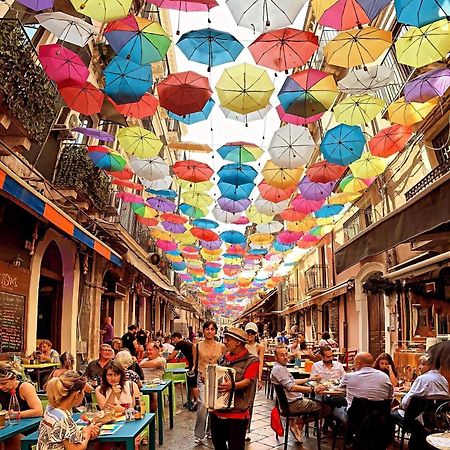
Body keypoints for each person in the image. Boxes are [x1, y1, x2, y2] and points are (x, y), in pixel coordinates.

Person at [210, 327, 259, 450]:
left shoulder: (252, 361)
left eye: (228, 339)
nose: (225, 341)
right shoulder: (223, 358)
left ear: (238, 342)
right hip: (218, 411)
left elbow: (248, 381)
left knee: (235, 447)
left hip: (237, 413)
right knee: (218, 445)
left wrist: (233, 386)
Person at [271, 346, 325, 442]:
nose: (285, 357)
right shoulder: (279, 369)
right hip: (293, 404)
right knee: (327, 407)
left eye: (286, 354)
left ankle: (297, 422)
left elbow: (292, 382)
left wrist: (309, 379)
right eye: (281, 355)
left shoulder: (280, 368)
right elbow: (291, 387)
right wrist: (313, 389)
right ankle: (300, 422)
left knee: (317, 401)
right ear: (275, 357)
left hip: (291, 403)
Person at [37, 371, 99, 450]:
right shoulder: (63, 419)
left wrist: (82, 431)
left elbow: (63, 435)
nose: (84, 395)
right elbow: (76, 448)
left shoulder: (50, 409)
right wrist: (87, 434)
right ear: (77, 394)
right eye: (83, 392)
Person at [334, 352, 393, 424]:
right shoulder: (385, 377)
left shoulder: (349, 376)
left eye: (354, 363)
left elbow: (338, 388)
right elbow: (390, 396)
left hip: (354, 418)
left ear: (358, 363)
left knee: (336, 409)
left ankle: (342, 432)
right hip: (377, 420)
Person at [193, 320, 226, 445]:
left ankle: (211, 431)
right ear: (203, 330)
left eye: (212, 329)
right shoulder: (196, 345)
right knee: (202, 405)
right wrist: (197, 374)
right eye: (207, 329)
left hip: (216, 378)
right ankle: (199, 434)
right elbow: (195, 363)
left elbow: (223, 363)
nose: (209, 331)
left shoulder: (222, 346)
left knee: (214, 405)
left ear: (215, 331)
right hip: (201, 377)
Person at [0, 362, 43, 450]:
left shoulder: (25, 387)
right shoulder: (1, 390)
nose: (0, 387)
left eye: (4, 383)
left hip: (29, 429)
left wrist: (15, 415)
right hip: (10, 428)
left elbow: (38, 411)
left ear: (14, 378)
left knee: (10, 440)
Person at [244, 322, 265, 441]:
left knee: (250, 403)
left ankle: (247, 428)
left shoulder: (259, 346)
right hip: (241, 376)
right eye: (248, 332)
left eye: (252, 332)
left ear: (256, 333)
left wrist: (260, 379)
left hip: (252, 377)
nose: (250, 334)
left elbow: (260, 362)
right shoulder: (241, 344)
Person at [139, 342, 166, 411]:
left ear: (157, 350)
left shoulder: (161, 360)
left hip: (155, 387)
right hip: (141, 386)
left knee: (152, 395)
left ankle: (152, 416)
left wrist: (137, 365)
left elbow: (153, 363)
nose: (148, 352)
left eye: (150, 350)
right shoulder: (144, 360)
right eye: (147, 350)